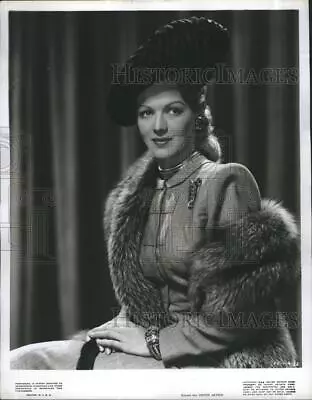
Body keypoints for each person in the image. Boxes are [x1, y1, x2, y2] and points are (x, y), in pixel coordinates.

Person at [10, 16, 300, 370]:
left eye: (173, 111)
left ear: (197, 117)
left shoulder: (227, 182)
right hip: (150, 341)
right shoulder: (135, 197)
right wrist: (121, 324)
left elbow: (236, 315)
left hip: (210, 357)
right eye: (147, 113)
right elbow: (147, 293)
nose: (158, 126)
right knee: (23, 361)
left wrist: (153, 342)